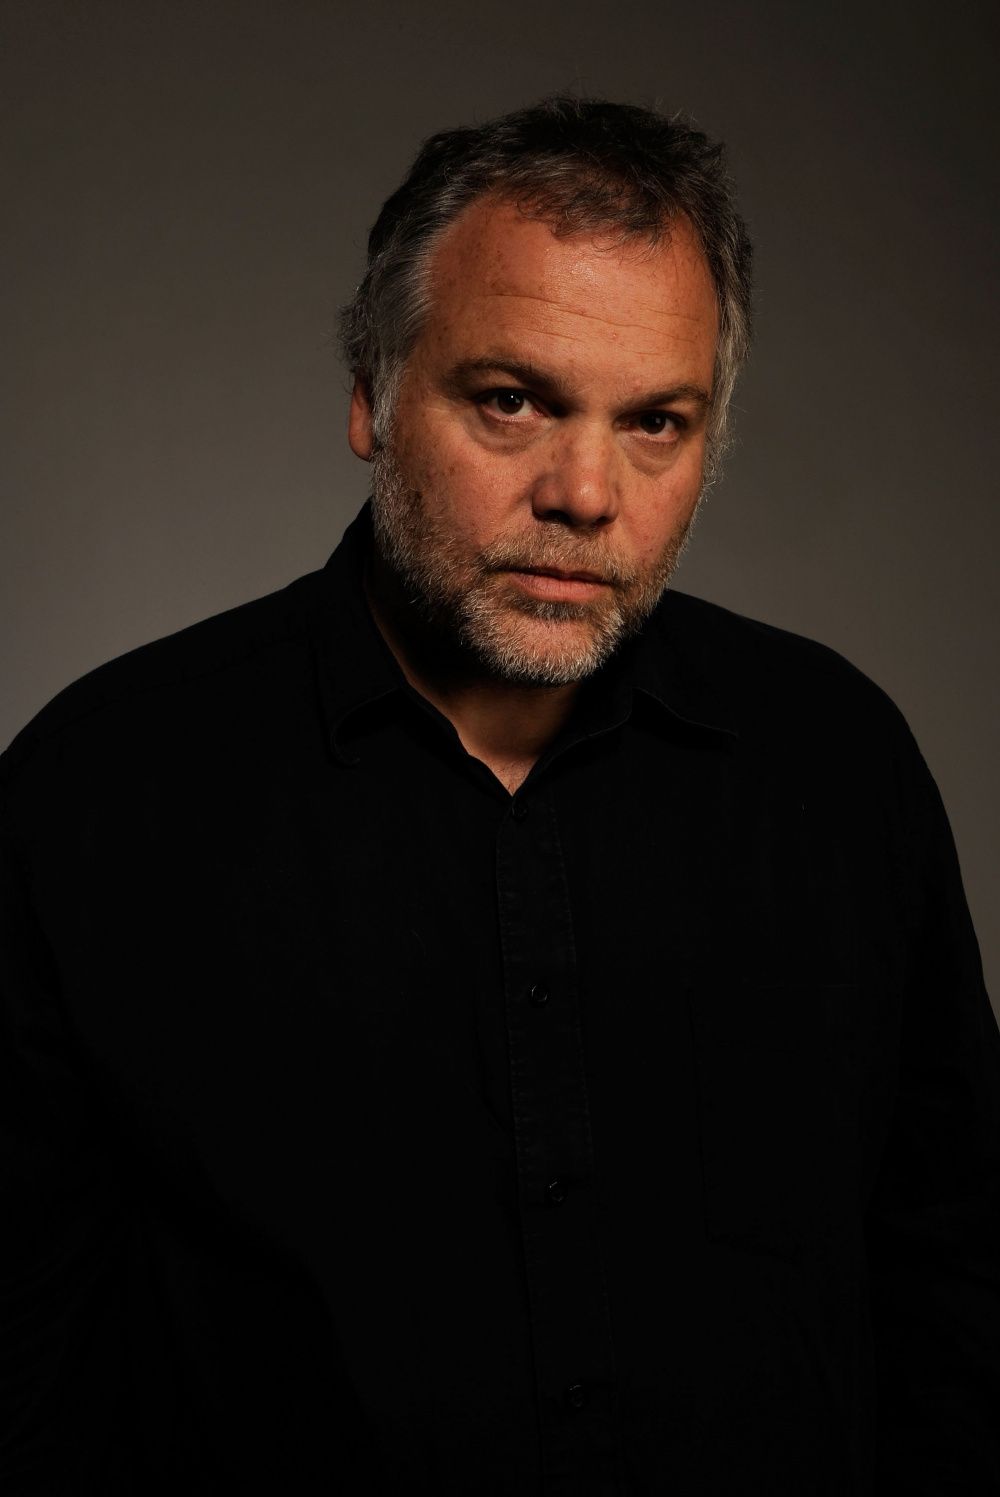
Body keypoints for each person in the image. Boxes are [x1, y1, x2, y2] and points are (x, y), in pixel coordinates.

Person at [1, 95, 997, 1497]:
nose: (586, 492)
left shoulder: (840, 767)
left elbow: (958, 1312)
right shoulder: (99, 794)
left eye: (656, 422)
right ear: (373, 393)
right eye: (512, 400)